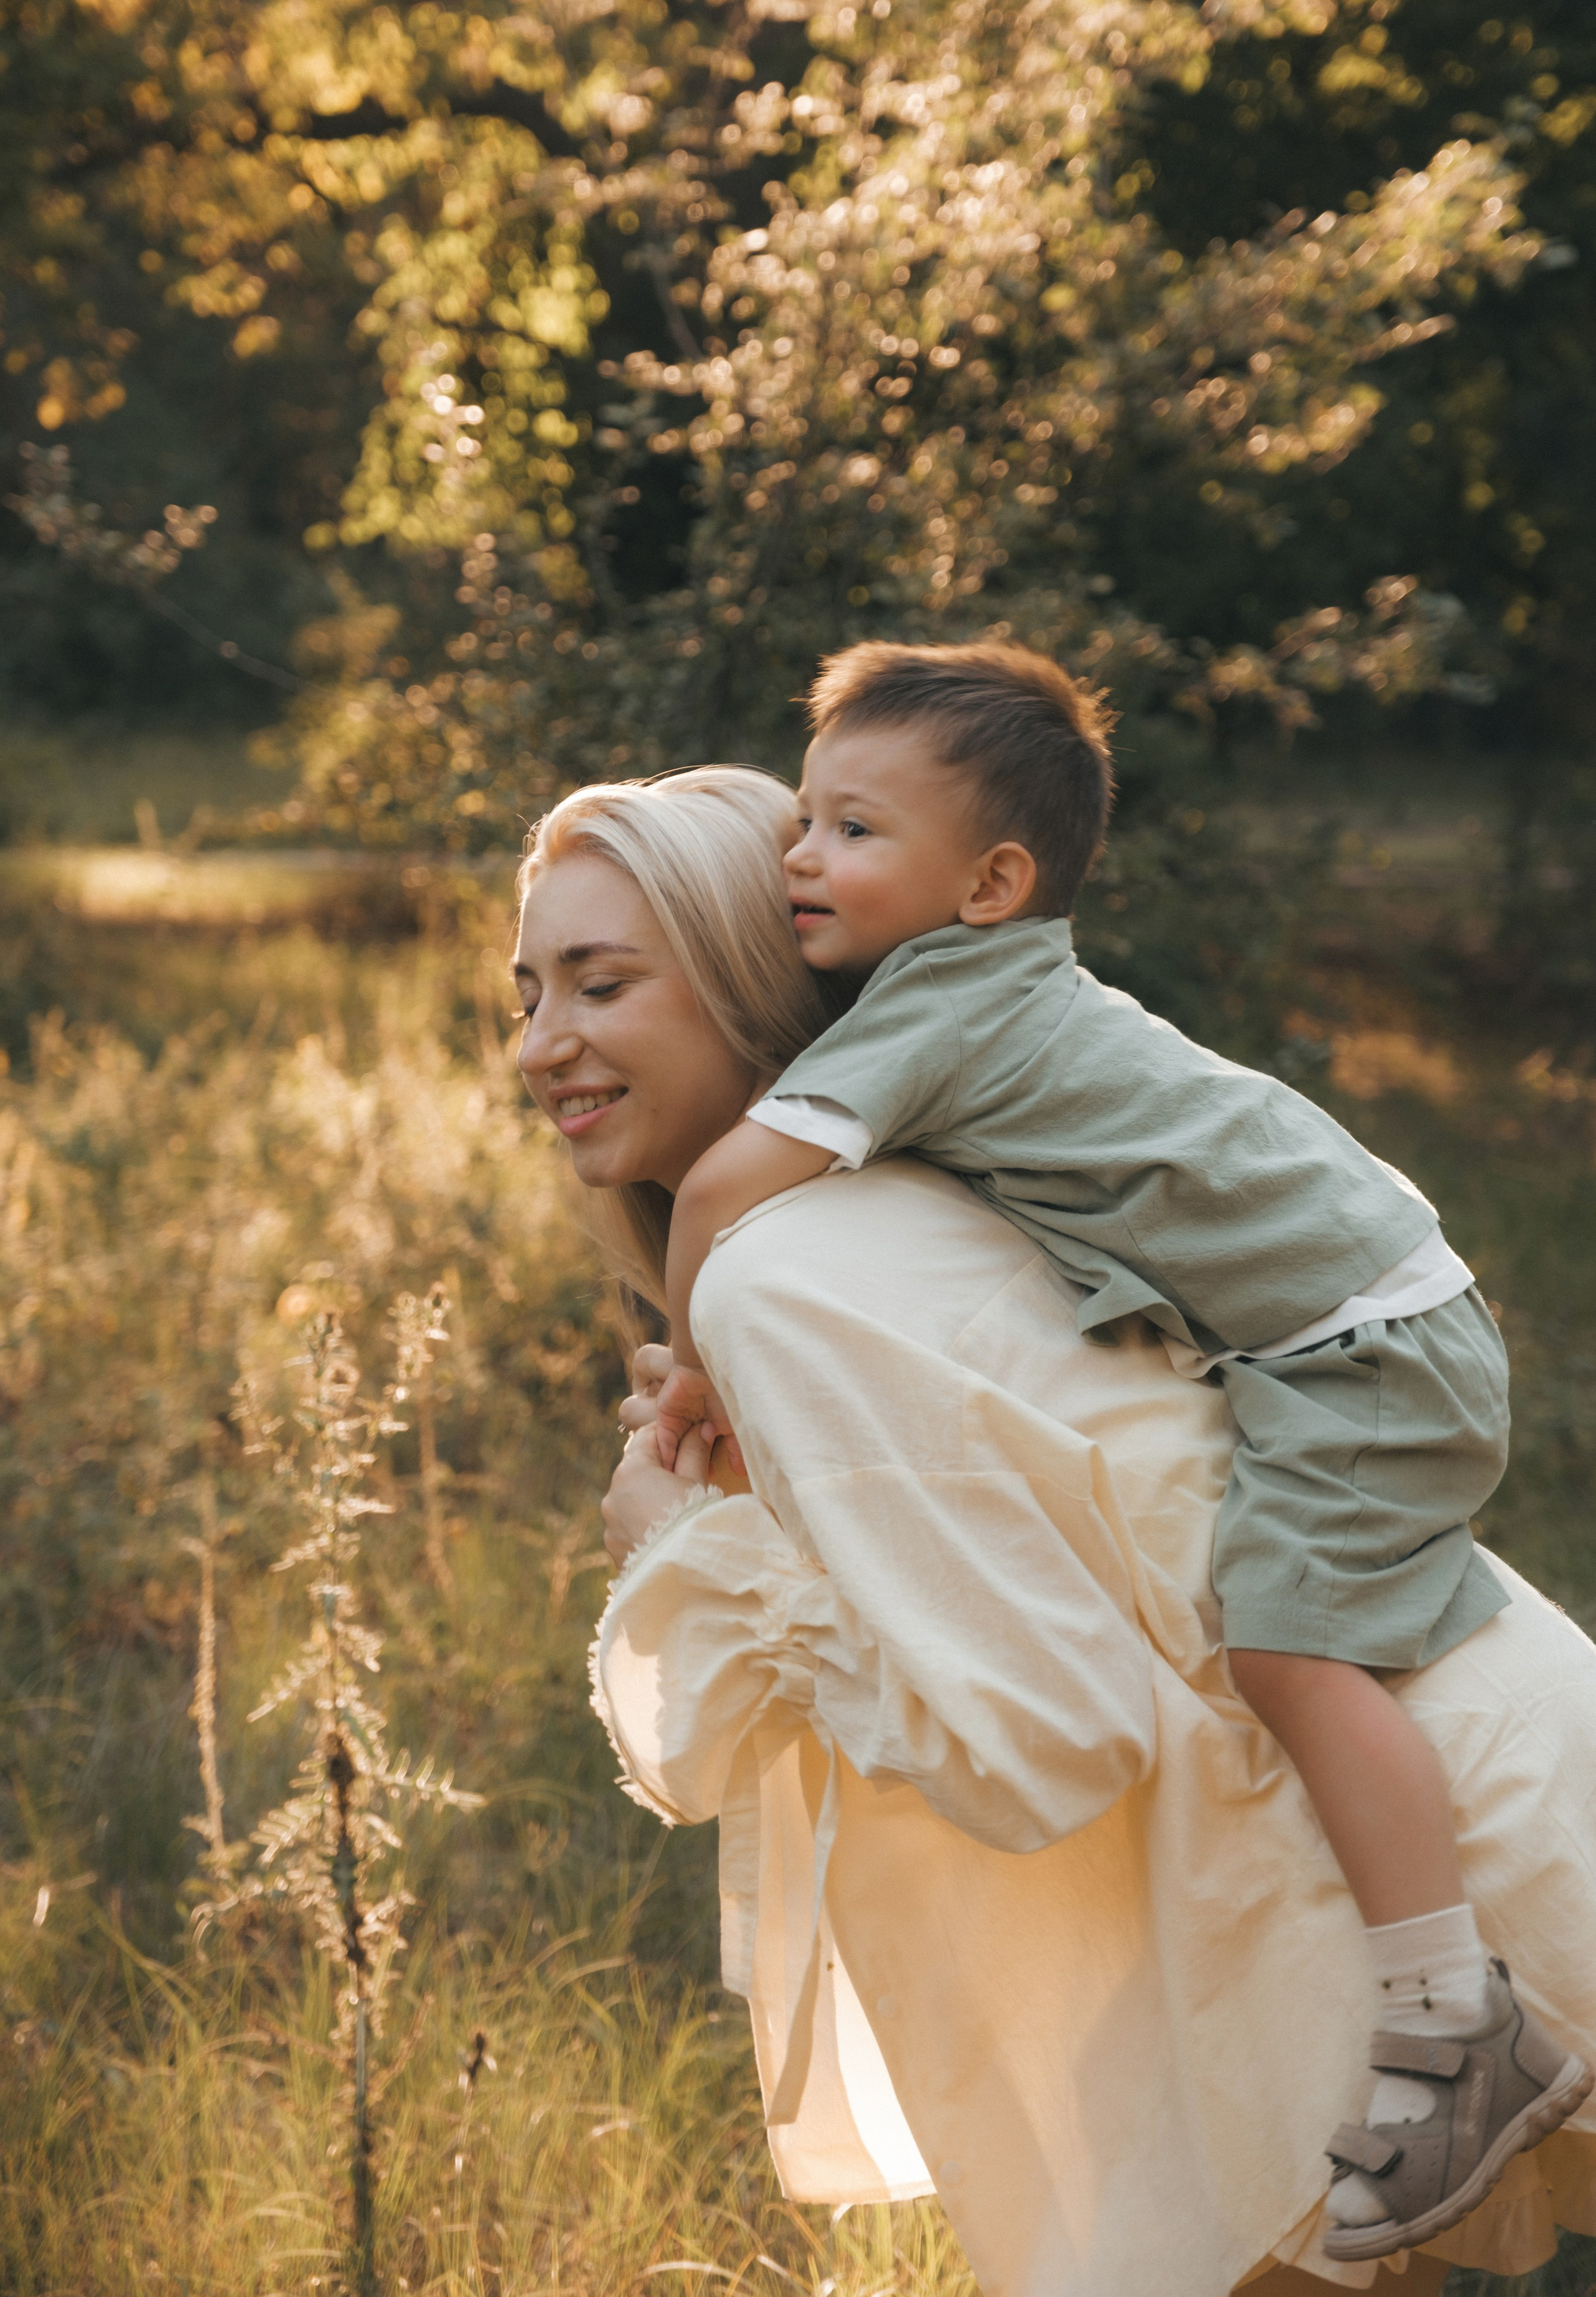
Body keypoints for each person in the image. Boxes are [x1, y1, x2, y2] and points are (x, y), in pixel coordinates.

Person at [511, 761, 1596, 2297]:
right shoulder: (907, 1191)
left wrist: (690, 1553)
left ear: (746, 980)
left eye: (600, 983)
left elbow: (1046, 1736)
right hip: (1398, 1828)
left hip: (1416, 1881)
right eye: (526, 992)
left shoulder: (780, 1270)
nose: (541, 1043)